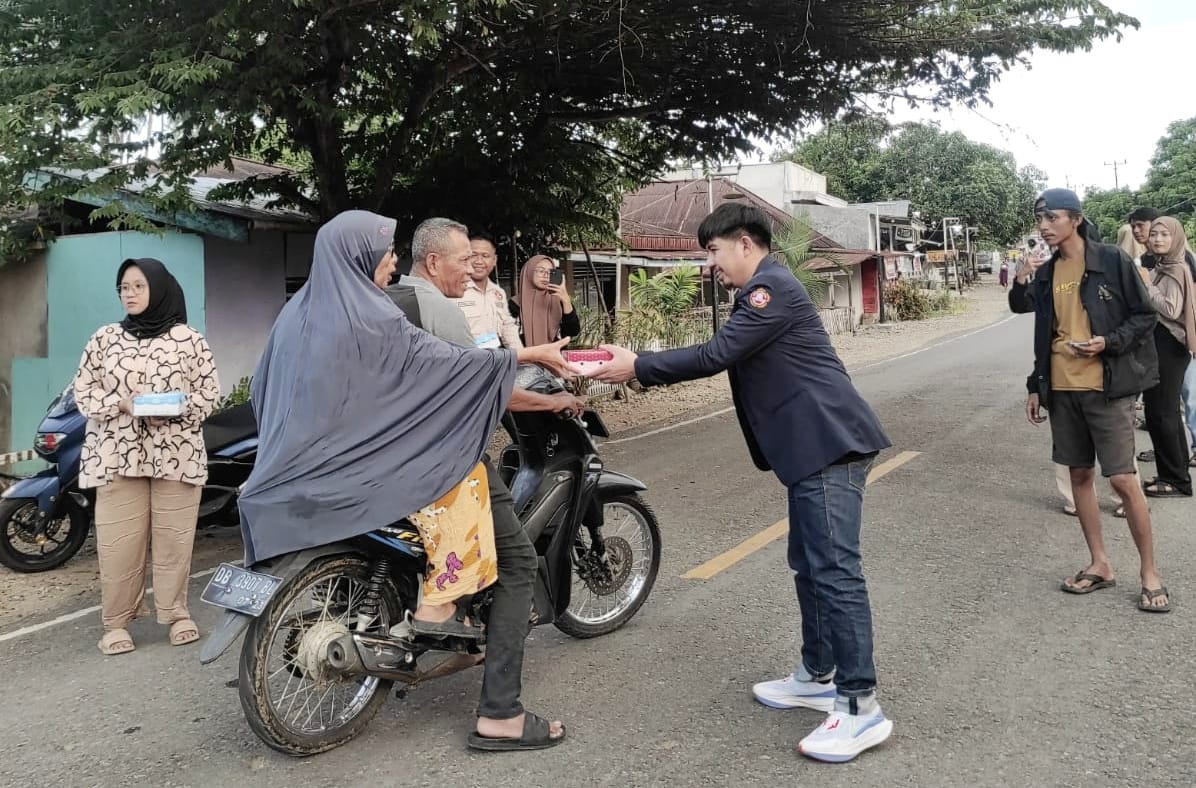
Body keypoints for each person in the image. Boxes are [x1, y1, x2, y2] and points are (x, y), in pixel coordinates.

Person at [238, 211, 569, 750]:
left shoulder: (296, 314)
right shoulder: (371, 315)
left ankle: (448, 613)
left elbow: (262, 393)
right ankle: (500, 714)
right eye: (385, 251)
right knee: (517, 562)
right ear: (358, 258)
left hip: (321, 473)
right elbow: (450, 367)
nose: (393, 260)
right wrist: (533, 355)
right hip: (395, 468)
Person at [587, 203, 893, 763]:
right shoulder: (762, 291)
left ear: (744, 244)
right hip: (811, 449)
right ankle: (818, 674)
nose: (710, 264)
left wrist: (638, 365)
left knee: (836, 573)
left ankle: (859, 705)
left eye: (712, 250)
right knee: (810, 565)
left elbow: (715, 355)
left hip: (829, 445)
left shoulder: (768, 290)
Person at [1009, 188, 1170, 613]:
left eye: (1051, 217)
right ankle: (1101, 563)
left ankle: (1149, 572)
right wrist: (1034, 385)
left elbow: (1144, 314)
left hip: (1107, 387)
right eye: (1040, 218)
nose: (1044, 225)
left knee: (1121, 478)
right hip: (1062, 389)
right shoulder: (1047, 270)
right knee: (1079, 475)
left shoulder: (1110, 259)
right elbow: (1034, 321)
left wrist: (1107, 342)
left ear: (1075, 219)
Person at [73, 258, 221, 655]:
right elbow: (83, 393)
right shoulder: (104, 339)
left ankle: (175, 613)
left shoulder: (189, 340)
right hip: (117, 456)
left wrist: (174, 407)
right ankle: (116, 622)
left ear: (158, 287)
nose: (130, 294)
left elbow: (209, 396)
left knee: (174, 539)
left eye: (138, 286)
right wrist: (119, 403)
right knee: (118, 541)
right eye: (124, 287)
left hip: (176, 454)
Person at [1137, 217, 1196, 498]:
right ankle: (1173, 473)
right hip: (1164, 345)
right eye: (1155, 234)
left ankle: (1177, 480)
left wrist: (1148, 284)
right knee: (1162, 412)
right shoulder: (1164, 265)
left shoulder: (1175, 269)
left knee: (1162, 412)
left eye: (1165, 235)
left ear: (1176, 238)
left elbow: (1171, 310)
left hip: (1171, 346)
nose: (1158, 239)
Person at [456, 232, 524, 349]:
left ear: (494, 260)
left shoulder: (498, 293)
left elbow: (506, 327)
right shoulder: (453, 291)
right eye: (473, 255)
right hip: (465, 361)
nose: (479, 261)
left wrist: (522, 356)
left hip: (493, 360)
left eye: (485, 256)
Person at [517, 255, 580, 346]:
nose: (546, 275)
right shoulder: (515, 304)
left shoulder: (559, 301)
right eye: (541, 271)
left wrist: (566, 300)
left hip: (556, 358)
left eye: (550, 272)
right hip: (523, 358)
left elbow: (573, 331)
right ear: (529, 272)